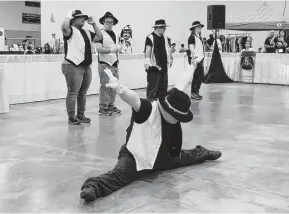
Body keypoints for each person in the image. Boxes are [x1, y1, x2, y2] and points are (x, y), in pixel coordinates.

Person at [79, 61, 222, 203]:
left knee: (186, 156)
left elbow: (182, 81)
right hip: (135, 157)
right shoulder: (148, 109)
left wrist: (193, 66)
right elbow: (134, 100)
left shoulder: (174, 100)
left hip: (161, 156)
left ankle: (203, 152)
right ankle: (92, 187)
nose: (178, 121)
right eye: (178, 118)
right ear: (169, 112)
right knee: (118, 176)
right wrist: (121, 90)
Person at [61, 9, 103, 125]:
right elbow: (64, 28)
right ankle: (71, 117)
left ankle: (80, 115)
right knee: (73, 93)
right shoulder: (70, 30)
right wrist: (67, 16)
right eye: (80, 17)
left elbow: (99, 36)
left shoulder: (87, 32)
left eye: (83, 17)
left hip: (85, 66)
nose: (83, 19)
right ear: (73, 20)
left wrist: (94, 23)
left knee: (83, 93)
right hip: (72, 65)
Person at [96, 12, 122, 116]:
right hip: (104, 63)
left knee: (115, 86)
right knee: (105, 86)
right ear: (103, 22)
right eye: (107, 22)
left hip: (114, 63)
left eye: (111, 22)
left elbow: (117, 47)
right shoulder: (100, 34)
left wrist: (118, 51)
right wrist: (110, 49)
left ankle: (111, 105)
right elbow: (98, 49)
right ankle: (103, 107)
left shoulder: (116, 34)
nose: (109, 24)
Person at [144, 19, 173, 101]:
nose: (164, 29)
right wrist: (147, 61)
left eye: (164, 27)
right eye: (163, 27)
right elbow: (148, 49)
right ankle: (151, 103)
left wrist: (171, 58)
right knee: (153, 86)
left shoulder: (165, 37)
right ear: (157, 28)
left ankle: (162, 102)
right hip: (154, 66)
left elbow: (168, 48)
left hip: (164, 65)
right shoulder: (150, 37)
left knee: (163, 86)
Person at [187, 21, 205, 101]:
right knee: (197, 76)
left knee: (199, 76)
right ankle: (194, 93)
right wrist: (194, 58)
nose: (200, 28)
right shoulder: (192, 37)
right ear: (194, 28)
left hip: (200, 59)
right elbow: (191, 48)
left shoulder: (198, 37)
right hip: (196, 59)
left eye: (200, 27)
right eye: (198, 27)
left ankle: (195, 92)